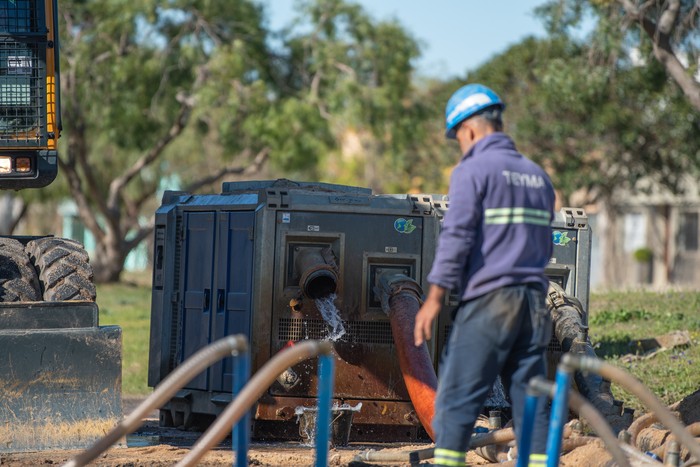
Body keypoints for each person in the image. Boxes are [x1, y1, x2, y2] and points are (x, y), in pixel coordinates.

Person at [414, 84, 555, 467]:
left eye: (458, 137)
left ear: (470, 130)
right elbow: (546, 248)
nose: (460, 145)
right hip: (533, 305)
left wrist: (434, 300)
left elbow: (456, 239)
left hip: (491, 302)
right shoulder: (538, 177)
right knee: (532, 405)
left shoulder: (472, 170)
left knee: (456, 400)